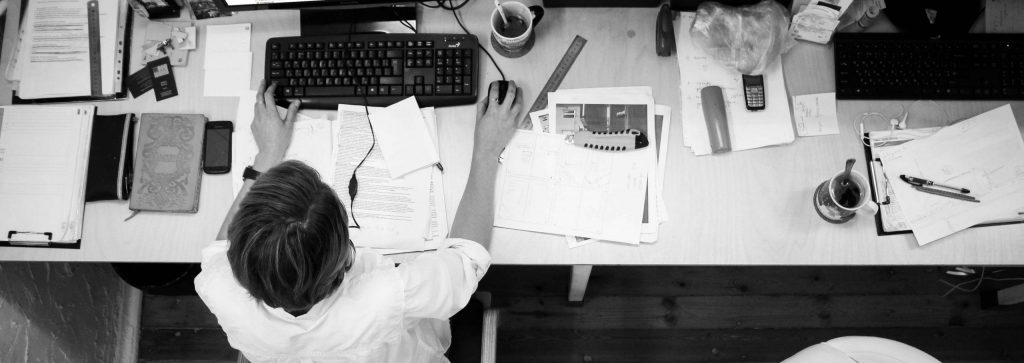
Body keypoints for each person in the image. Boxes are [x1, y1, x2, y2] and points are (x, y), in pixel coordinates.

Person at [195, 79, 525, 362]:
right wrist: (487, 149)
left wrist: (265, 156)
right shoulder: (384, 295)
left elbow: (217, 249)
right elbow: (467, 261)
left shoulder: (218, 288)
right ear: (344, 251)